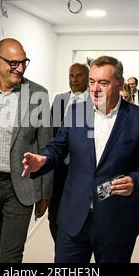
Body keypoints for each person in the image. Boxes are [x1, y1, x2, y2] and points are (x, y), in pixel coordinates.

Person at [22, 56, 139, 263]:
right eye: (92, 82)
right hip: (74, 217)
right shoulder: (76, 112)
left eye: (103, 83)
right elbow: (58, 147)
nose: (95, 89)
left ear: (120, 83)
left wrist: (135, 181)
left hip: (116, 221)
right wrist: (43, 159)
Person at [0, 38, 53, 263]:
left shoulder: (38, 95)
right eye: (13, 63)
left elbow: (46, 146)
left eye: (23, 62)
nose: (20, 68)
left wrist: (45, 194)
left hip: (20, 187)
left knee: (11, 256)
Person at [49, 63, 89, 242]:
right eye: (71, 75)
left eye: (79, 75)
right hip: (59, 169)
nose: (74, 79)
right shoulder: (59, 100)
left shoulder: (96, 101)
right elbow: (51, 132)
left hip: (83, 169)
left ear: (88, 78)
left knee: (81, 217)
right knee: (55, 217)